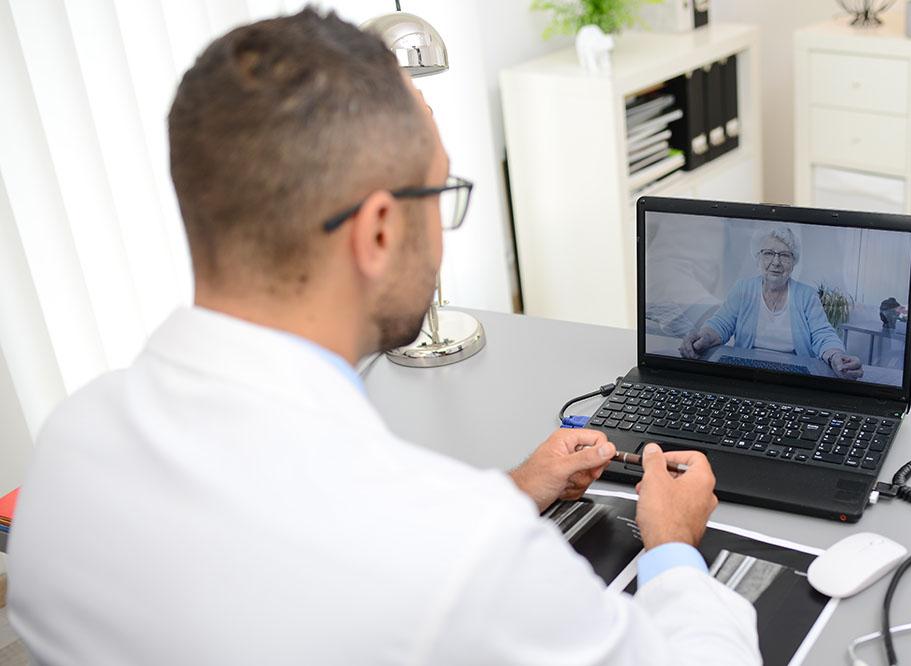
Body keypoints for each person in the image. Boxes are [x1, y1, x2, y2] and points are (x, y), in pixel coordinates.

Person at [7, 10, 759, 665]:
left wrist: (515, 490)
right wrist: (670, 551)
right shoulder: (462, 554)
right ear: (376, 230)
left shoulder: (68, 449)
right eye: (439, 193)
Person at [679, 226, 864, 379]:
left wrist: (837, 356)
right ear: (758, 258)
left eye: (785, 255)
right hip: (748, 375)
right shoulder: (743, 288)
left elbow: (822, 334)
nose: (776, 262)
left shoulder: (806, 295)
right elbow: (721, 324)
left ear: (793, 262)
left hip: (795, 378)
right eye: (769, 253)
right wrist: (703, 337)